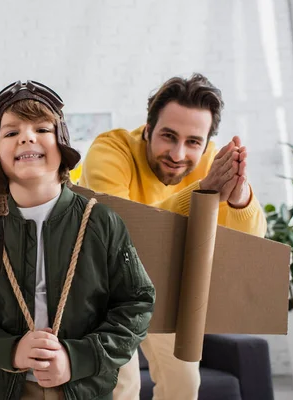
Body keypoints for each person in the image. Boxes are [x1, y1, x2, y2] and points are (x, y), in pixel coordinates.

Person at [0, 80, 156, 400]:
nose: (27, 137)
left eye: (42, 129)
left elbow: (136, 305)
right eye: (11, 133)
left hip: (84, 389)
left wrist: (75, 359)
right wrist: (11, 351)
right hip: (6, 391)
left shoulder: (101, 223)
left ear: (63, 143)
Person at [79, 73, 267, 400]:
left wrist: (239, 195)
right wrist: (203, 194)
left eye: (193, 142)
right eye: (168, 136)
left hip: (160, 283)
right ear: (148, 129)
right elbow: (121, 232)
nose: (178, 154)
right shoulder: (111, 148)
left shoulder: (210, 162)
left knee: (184, 384)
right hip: (101, 283)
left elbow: (249, 243)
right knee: (121, 388)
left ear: (206, 143)